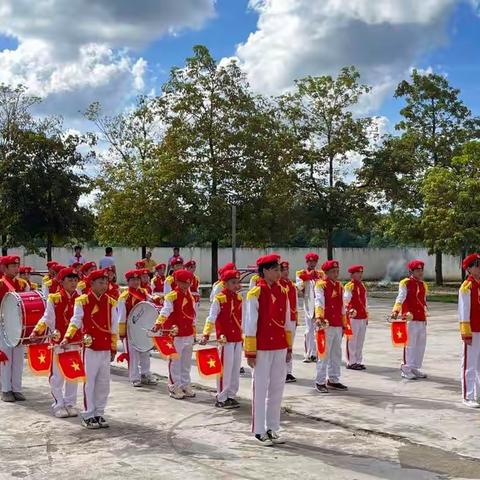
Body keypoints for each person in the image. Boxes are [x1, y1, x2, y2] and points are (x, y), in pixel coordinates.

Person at [244, 254, 295, 446]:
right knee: (260, 387)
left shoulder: (283, 291)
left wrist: (289, 346)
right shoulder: (255, 293)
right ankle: (258, 430)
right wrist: (250, 351)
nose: (278, 273)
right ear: (265, 271)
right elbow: (250, 324)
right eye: (275, 269)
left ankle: (273, 427)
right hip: (263, 346)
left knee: (277, 388)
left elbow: (288, 321)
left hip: (279, 345)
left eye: (279, 269)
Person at [61, 269, 118, 429]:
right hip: (90, 347)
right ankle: (88, 414)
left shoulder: (111, 302)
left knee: (103, 382)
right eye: (100, 282)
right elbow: (76, 320)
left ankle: (99, 412)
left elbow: (113, 326)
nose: (104, 285)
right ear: (91, 284)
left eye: (106, 282)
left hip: (105, 347)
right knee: (89, 382)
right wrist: (67, 336)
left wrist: (113, 347)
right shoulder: (82, 301)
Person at [31, 267, 81, 418]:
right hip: (58, 340)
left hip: (75, 339)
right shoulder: (54, 298)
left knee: (73, 372)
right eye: (70, 280)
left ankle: (70, 403)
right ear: (62, 282)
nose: (73, 283)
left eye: (75, 280)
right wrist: (37, 330)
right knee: (57, 374)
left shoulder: (80, 298)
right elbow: (47, 317)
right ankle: (58, 404)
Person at [202, 269, 243, 409]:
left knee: (235, 368)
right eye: (233, 283)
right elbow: (211, 317)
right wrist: (206, 334)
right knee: (225, 368)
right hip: (225, 338)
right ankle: (221, 397)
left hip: (237, 337)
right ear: (224, 284)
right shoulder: (219, 299)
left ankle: (231, 395)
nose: (236, 285)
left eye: (238, 282)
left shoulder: (239, 298)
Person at [154, 269, 196, 400]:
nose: (186, 286)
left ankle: (185, 384)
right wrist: (158, 323)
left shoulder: (190, 296)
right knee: (175, 361)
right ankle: (173, 386)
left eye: (188, 283)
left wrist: (193, 330)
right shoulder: (172, 296)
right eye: (183, 283)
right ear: (177, 281)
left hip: (188, 332)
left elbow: (193, 314)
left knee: (186, 362)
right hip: (175, 333)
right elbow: (166, 311)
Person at [117, 269, 157, 387]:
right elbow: (121, 316)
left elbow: (151, 301)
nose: (136, 282)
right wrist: (122, 333)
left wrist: (158, 299)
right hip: (131, 328)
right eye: (133, 280)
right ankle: (134, 377)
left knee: (145, 350)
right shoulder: (124, 296)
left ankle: (145, 374)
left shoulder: (144, 292)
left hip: (143, 327)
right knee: (133, 354)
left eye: (137, 279)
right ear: (128, 281)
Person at [314, 260, 348, 394]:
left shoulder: (340, 286)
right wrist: (319, 317)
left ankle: (333, 379)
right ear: (326, 273)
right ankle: (320, 381)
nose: (336, 273)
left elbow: (342, 306)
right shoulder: (321, 285)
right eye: (333, 271)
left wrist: (344, 324)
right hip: (325, 324)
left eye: (337, 271)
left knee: (336, 353)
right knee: (323, 353)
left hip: (337, 324)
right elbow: (319, 301)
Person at [391, 259, 428, 380]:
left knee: (420, 344)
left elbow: (424, 302)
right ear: (411, 271)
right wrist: (396, 310)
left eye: (421, 270)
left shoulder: (423, 284)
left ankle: (414, 367)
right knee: (410, 344)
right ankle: (405, 369)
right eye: (417, 270)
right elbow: (400, 297)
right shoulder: (405, 283)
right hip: (409, 317)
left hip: (421, 318)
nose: (420, 272)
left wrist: (425, 315)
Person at [0, 256, 30, 402]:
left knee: (18, 359)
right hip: (3, 326)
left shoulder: (23, 284)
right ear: (4, 268)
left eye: (17, 266)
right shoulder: (0, 284)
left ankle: (17, 389)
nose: (16, 268)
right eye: (12, 266)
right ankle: (6, 389)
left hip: (19, 327)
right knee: (6, 358)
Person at [458, 253, 480, 408]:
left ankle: (478, 393)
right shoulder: (467, 286)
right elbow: (464, 311)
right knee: (469, 364)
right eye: (477, 265)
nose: (479, 268)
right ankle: (468, 396)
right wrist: (466, 332)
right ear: (469, 268)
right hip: (472, 329)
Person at [296, 252, 323, 363]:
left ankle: (316, 353)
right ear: (306, 262)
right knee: (309, 330)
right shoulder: (300, 273)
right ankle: (308, 354)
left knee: (318, 329)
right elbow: (299, 287)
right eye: (310, 261)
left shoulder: (320, 274)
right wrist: (307, 278)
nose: (312, 263)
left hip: (319, 305)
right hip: (308, 305)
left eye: (314, 261)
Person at [344, 264, 368, 371]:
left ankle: (358, 360)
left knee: (360, 340)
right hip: (353, 317)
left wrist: (366, 315)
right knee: (352, 340)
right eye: (358, 273)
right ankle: (351, 362)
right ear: (352, 274)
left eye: (361, 273)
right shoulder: (349, 286)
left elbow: (365, 301)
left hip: (362, 316)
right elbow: (345, 301)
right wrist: (348, 311)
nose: (360, 275)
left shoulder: (362, 285)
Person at [279, 260, 298, 383]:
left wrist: (296, 318)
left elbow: (295, 302)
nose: (285, 272)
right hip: (281, 320)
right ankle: (281, 371)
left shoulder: (291, 285)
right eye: (282, 270)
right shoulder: (278, 284)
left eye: (287, 270)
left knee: (290, 345)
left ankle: (288, 371)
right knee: (282, 345)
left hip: (291, 318)